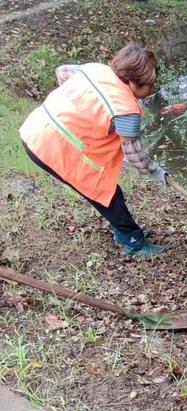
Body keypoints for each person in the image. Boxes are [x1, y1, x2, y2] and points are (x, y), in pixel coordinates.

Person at [19, 42, 168, 257]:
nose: (152, 88)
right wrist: (156, 172)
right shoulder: (126, 110)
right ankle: (133, 242)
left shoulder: (94, 70)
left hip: (35, 128)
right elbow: (134, 155)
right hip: (50, 148)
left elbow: (62, 72)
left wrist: (77, 112)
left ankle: (124, 231)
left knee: (110, 193)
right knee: (105, 195)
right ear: (134, 83)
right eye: (150, 84)